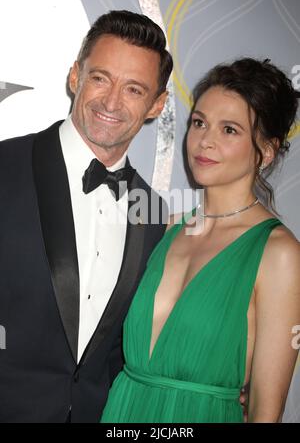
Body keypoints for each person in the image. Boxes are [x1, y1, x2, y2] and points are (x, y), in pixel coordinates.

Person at [101, 58, 300, 423]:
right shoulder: (163, 228)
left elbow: (265, 412)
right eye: (199, 122)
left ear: (267, 151)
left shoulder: (278, 253)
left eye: (230, 130)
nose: (205, 141)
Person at [0, 10, 173, 423]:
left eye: (134, 89)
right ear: (76, 76)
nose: (112, 102)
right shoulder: (5, 166)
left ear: (157, 105)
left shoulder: (153, 212)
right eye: (101, 78)